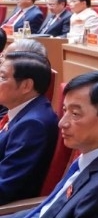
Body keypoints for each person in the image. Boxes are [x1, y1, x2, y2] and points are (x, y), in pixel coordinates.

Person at [16, 71, 98, 218]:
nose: (62, 123)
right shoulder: (93, 155)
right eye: (64, 110)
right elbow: (47, 209)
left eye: (75, 114)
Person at [0, 51, 58, 204]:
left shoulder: (33, 125)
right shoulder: (23, 109)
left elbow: (4, 186)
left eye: (2, 77)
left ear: (26, 86)